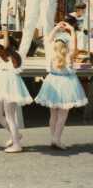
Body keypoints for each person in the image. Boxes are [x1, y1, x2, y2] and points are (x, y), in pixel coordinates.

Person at [35, 21, 87, 150]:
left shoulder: (51, 54)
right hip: (67, 85)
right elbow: (75, 45)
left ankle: (53, 138)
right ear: (66, 45)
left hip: (52, 82)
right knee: (63, 115)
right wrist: (72, 30)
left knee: (53, 115)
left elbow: (47, 40)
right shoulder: (69, 55)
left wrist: (56, 28)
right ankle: (56, 139)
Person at [0, 31, 33, 153]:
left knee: (10, 116)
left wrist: (5, 33)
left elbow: (5, 47)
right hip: (1, 85)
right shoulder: (3, 56)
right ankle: (16, 135)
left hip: (10, 86)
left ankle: (17, 144)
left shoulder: (15, 56)